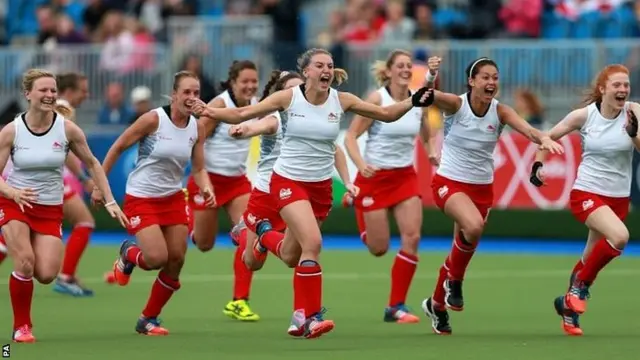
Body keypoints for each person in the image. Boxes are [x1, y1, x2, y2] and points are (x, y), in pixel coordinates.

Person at [192, 47, 435, 339]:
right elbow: (243, 112)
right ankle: (309, 318)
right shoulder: (287, 98)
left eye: (330, 65)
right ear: (306, 71)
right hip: (288, 182)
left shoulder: (342, 100)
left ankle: (261, 229)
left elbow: (385, 113)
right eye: (319, 65)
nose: (326, 70)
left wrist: (413, 101)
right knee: (313, 243)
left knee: (291, 255)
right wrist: (209, 110)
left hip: (320, 189)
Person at [419, 57, 563, 335]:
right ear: (471, 81)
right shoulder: (458, 105)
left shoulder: (501, 111)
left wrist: (542, 139)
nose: (491, 82)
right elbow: (432, 96)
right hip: (449, 182)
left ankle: (436, 305)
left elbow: (528, 129)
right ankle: (455, 283)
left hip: (482, 189)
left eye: (495, 77)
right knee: (473, 227)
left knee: (459, 247)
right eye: (485, 77)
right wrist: (429, 78)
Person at [226, 71, 356, 338]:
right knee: (252, 262)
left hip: (298, 192)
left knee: (295, 255)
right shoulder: (277, 117)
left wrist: (349, 181)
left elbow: (335, 150)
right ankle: (258, 237)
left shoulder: (315, 120)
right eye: (294, 89)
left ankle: (302, 316)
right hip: (266, 194)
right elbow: (256, 126)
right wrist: (243, 129)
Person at [0, 69, 127, 343]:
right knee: (25, 262)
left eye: (52, 90)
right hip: (14, 203)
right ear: (28, 94)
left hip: (49, 208)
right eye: (43, 90)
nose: (49, 95)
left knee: (45, 274)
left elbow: (93, 163)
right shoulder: (12, 130)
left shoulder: (67, 128)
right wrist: (11, 191)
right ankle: (22, 327)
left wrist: (110, 200)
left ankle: (18, 248)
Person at [97, 70, 215, 336]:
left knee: (176, 260)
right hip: (142, 197)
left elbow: (198, 168)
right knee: (155, 258)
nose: (192, 97)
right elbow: (117, 147)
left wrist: (206, 186)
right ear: (174, 95)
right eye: (186, 92)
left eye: (196, 93)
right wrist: (99, 186)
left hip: (173, 197)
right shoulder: (153, 119)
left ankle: (148, 318)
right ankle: (129, 253)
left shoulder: (198, 126)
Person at [529, 64, 638, 336]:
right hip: (587, 193)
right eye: (617, 85)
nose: (623, 89)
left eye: (626, 85)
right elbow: (547, 137)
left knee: (590, 257)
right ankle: (578, 288)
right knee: (620, 237)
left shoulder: (635, 111)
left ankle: (568, 310)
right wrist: (537, 166)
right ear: (603, 89)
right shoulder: (585, 116)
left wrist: (634, 134)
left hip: (618, 199)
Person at [341, 50, 439, 324]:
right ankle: (358, 204)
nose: (406, 70)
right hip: (374, 178)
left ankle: (395, 306)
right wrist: (360, 165)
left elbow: (426, 131)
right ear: (389, 71)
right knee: (378, 248)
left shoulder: (417, 99)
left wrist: (430, 150)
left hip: (405, 176)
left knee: (413, 237)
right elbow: (350, 136)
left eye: (409, 66)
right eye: (400, 66)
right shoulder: (376, 99)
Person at [185, 60, 261, 322]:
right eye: (245, 82)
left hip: (238, 182)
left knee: (248, 235)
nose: (250, 86)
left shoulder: (256, 105)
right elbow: (194, 142)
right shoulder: (218, 106)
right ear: (232, 82)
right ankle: (190, 222)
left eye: (254, 81)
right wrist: (202, 181)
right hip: (208, 180)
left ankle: (239, 301)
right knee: (204, 244)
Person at [48, 72, 98, 297]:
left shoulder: (56, 107)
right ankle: (66, 276)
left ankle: (67, 274)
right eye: (83, 90)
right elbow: (61, 148)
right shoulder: (63, 109)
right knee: (84, 222)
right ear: (69, 91)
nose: (86, 95)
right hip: (44, 179)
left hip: (39, 177)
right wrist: (84, 178)